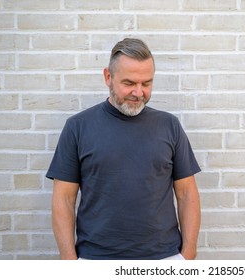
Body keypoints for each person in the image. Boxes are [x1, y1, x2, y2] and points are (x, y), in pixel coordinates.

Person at [46, 38, 201, 260]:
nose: (139, 93)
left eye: (146, 83)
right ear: (108, 77)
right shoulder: (78, 127)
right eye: (129, 83)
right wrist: (69, 262)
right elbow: (63, 199)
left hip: (163, 258)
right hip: (95, 259)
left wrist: (187, 257)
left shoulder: (169, 125)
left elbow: (187, 193)